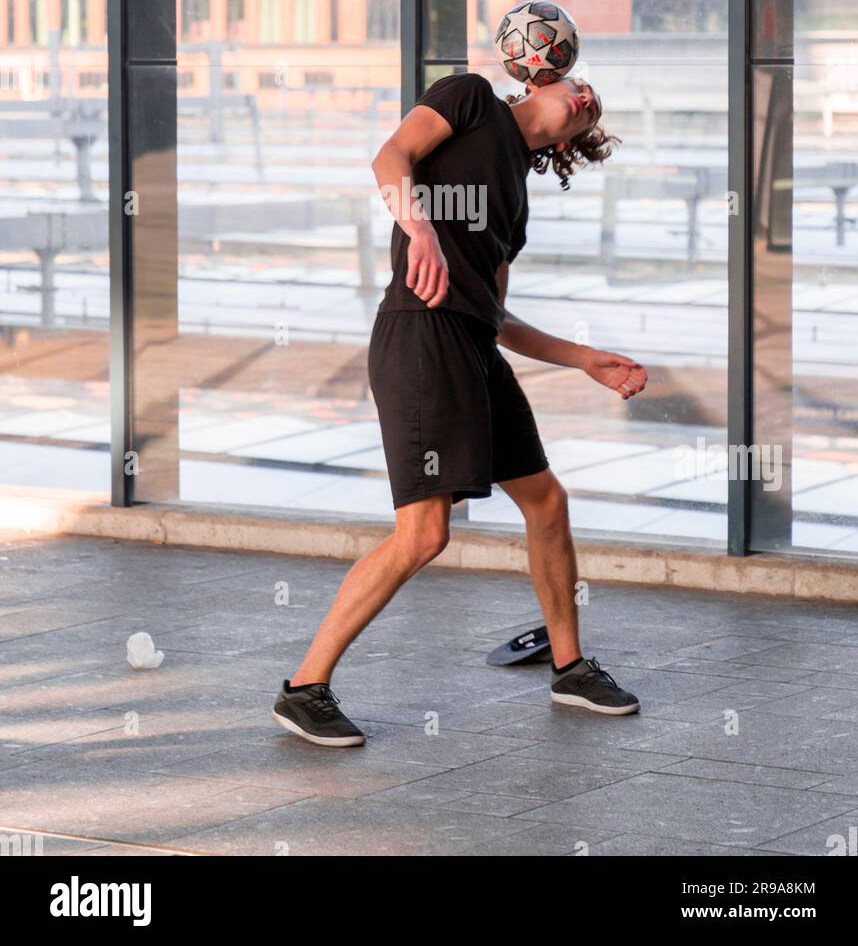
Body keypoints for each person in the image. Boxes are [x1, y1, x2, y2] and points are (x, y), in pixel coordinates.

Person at [272, 70, 648, 747]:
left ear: (573, 138)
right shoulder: (470, 97)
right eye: (582, 85)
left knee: (546, 501)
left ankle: (568, 668)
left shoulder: (514, 201)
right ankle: (304, 688)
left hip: (474, 346)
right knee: (424, 535)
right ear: (543, 77)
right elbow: (389, 157)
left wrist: (585, 358)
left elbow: (497, 318)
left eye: (594, 108)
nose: (587, 97)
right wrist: (420, 231)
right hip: (420, 334)